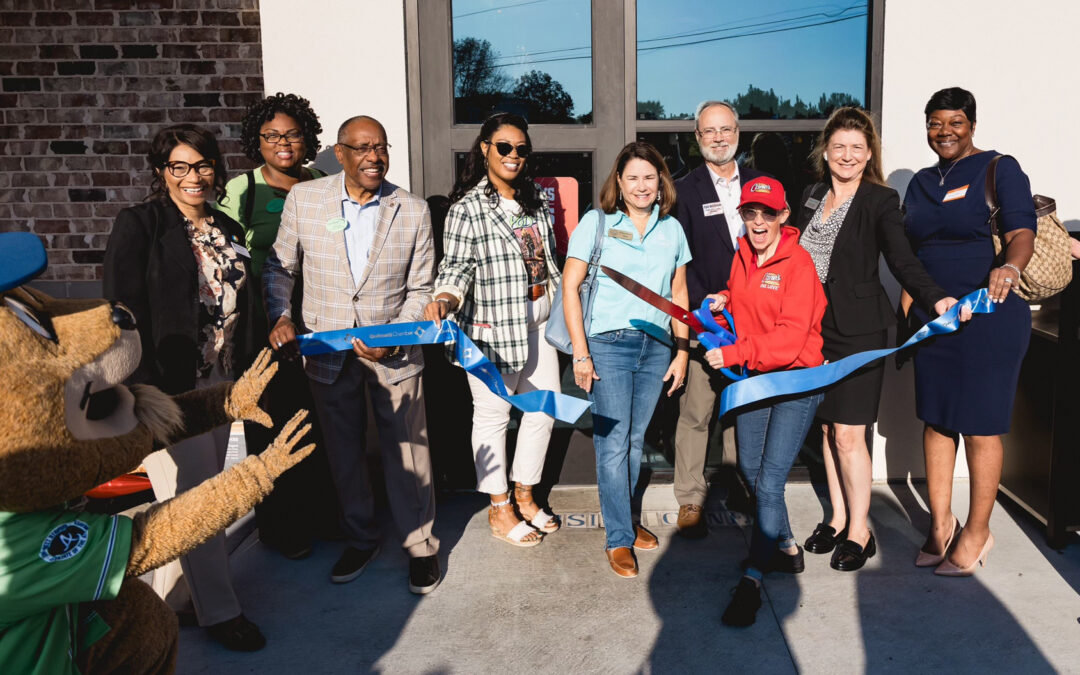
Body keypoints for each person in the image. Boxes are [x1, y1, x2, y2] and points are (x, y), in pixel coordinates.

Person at [102, 123, 267, 651]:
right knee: (202, 501)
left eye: (201, 165)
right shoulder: (141, 225)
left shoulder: (227, 227)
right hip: (169, 390)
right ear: (161, 172)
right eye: (179, 166)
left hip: (221, 380)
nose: (192, 176)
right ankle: (222, 612)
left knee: (190, 498)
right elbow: (120, 314)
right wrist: (139, 390)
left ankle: (170, 604)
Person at [262, 115, 442, 594]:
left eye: (380, 147)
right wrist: (281, 315)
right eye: (362, 148)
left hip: (394, 352)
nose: (374, 157)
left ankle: (421, 547)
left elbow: (421, 286)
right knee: (344, 454)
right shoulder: (305, 199)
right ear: (339, 154)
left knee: (409, 452)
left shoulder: (413, 209)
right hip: (326, 350)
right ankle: (361, 538)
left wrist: (396, 336)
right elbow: (279, 268)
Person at [793, 107, 960, 572]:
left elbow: (902, 261)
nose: (847, 156)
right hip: (815, 331)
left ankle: (861, 532)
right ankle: (839, 516)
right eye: (839, 147)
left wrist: (937, 297)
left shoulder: (880, 200)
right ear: (826, 151)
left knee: (850, 433)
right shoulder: (810, 195)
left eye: (857, 149)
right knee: (827, 427)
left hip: (860, 331)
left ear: (869, 156)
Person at [903, 87, 1035, 576]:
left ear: (972, 124)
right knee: (937, 421)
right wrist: (908, 305)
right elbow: (911, 253)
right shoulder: (919, 182)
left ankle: (979, 532)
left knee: (980, 426)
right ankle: (940, 525)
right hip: (934, 318)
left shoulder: (1000, 168)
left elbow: (1022, 230)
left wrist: (1011, 269)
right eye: (936, 123)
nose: (945, 132)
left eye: (955, 122)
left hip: (989, 313)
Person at [423, 113, 563, 547]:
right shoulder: (467, 208)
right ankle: (498, 507)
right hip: (491, 332)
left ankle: (525, 493)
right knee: (493, 417)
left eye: (521, 149)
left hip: (539, 325)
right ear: (485, 149)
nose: (514, 156)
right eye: (504, 147)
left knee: (543, 411)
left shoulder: (535, 200)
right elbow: (457, 267)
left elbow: (548, 259)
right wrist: (446, 297)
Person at [562, 141, 691, 578]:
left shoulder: (672, 229)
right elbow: (570, 287)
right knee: (613, 445)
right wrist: (581, 352)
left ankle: (628, 522)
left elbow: (679, 295)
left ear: (661, 184)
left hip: (656, 348)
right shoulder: (596, 223)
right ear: (618, 181)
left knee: (636, 442)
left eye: (649, 178)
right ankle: (617, 537)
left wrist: (682, 352)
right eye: (632, 177)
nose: (641, 186)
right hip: (608, 345)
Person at [702, 176, 826, 627]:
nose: (757, 222)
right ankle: (788, 548)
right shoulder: (743, 256)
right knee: (750, 471)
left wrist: (733, 354)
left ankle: (753, 579)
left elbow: (791, 340)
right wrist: (724, 299)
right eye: (750, 213)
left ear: (783, 216)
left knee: (770, 483)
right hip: (757, 379)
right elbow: (742, 296)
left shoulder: (799, 265)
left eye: (766, 214)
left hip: (795, 380)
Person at [219, 92, 338, 560]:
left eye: (292, 134)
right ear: (257, 141)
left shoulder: (325, 182)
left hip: (322, 325)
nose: (283, 143)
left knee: (318, 421)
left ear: (306, 138)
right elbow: (226, 259)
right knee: (272, 425)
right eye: (272, 136)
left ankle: (320, 516)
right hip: (266, 328)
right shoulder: (243, 190)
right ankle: (281, 526)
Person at [672, 101, 770, 538]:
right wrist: (699, 310)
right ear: (697, 138)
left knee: (744, 409)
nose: (718, 137)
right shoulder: (683, 191)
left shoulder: (760, 185)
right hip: (705, 323)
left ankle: (740, 487)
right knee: (697, 411)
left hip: (754, 323)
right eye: (708, 131)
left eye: (725, 129)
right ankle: (691, 499)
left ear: (738, 133)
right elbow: (678, 262)